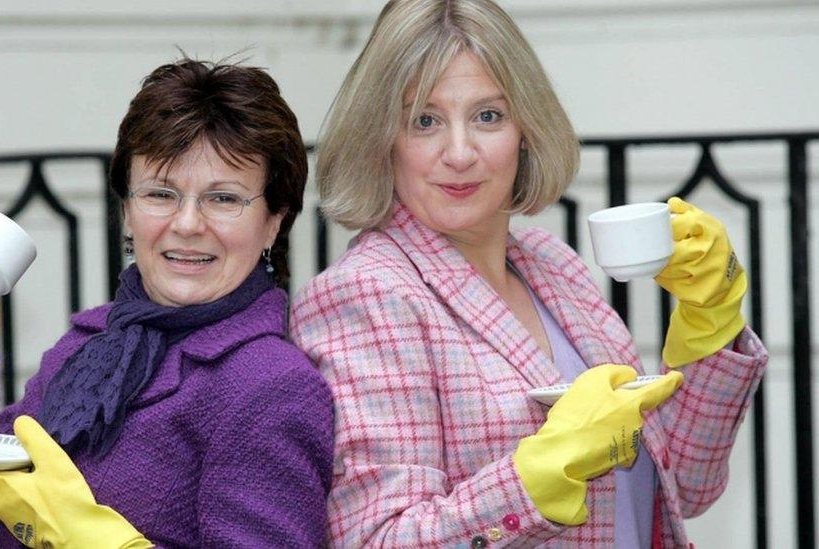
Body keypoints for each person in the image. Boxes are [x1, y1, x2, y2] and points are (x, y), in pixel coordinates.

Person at [289, 1, 767, 547]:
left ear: (527, 128)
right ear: (382, 138)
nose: (461, 152)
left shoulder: (552, 265)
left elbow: (683, 487)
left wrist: (710, 324)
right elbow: (376, 539)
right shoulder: (366, 294)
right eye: (425, 120)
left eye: (488, 115)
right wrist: (538, 478)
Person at [0, 58, 333, 548]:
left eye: (224, 199)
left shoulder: (270, 386)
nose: (187, 223)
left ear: (275, 220)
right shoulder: (88, 348)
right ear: (126, 208)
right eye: (161, 193)